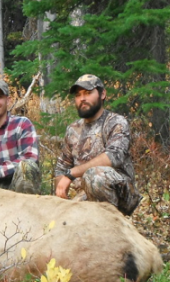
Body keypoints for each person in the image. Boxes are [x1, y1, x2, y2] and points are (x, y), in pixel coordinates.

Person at [55, 74, 141, 215]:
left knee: (94, 175)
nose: (82, 98)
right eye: (78, 95)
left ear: (102, 94)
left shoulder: (116, 122)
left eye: (88, 93)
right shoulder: (72, 130)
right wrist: (61, 195)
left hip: (120, 195)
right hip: (84, 194)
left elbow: (113, 157)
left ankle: (111, 224)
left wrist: (71, 174)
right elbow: (61, 169)